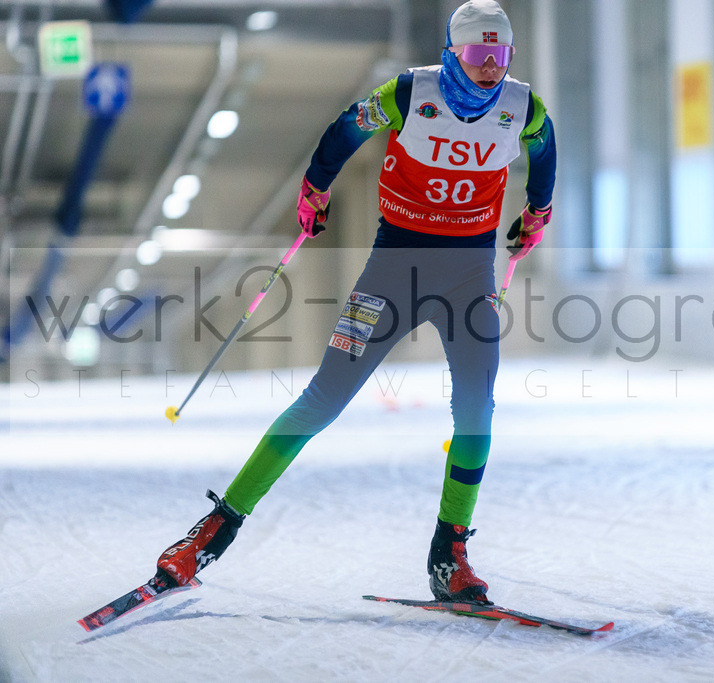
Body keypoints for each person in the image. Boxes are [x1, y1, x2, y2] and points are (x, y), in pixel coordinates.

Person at [154, 0, 555, 604]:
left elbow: (545, 152)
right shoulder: (408, 92)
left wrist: (538, 210)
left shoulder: (522, 105)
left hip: (469, 276)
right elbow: (346, 128)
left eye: (500, 56)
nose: (489, 69)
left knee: (477, 409)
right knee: (322, 401)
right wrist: (315, 187)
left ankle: (450, 554)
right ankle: (212, 532)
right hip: (392, 272)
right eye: (478, 55)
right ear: (455, 53)